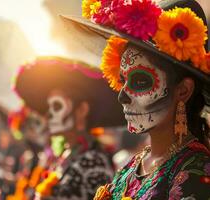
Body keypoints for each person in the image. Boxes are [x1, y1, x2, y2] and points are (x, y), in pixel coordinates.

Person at [62, 0, 210, 199]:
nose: (122, 96)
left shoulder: (197, 170)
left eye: (140, 81)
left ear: (183, 91)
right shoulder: (131, 167)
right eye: (122, 80)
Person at [13, 56, 123, 200]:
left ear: (82, 110)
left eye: (57, 106)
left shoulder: (95, 160)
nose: (49, 115)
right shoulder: (65, 153)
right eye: (49, 107)